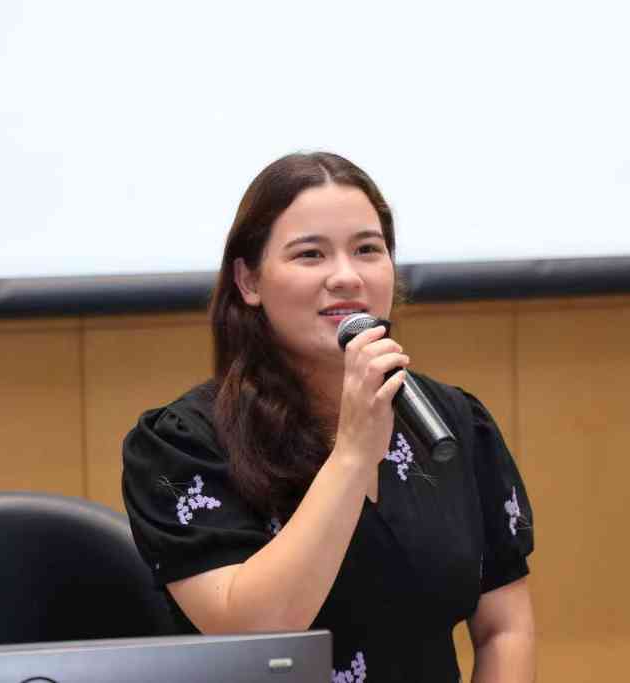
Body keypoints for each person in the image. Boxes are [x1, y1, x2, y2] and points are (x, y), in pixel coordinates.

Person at [122, 152, 535, 682]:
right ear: (249, 281)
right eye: (310, 254)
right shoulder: (182, 445)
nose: (346, 277)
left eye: (367, 250)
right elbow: (258, 635)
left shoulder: (452, 421)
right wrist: (353, 454)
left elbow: (504, 628)